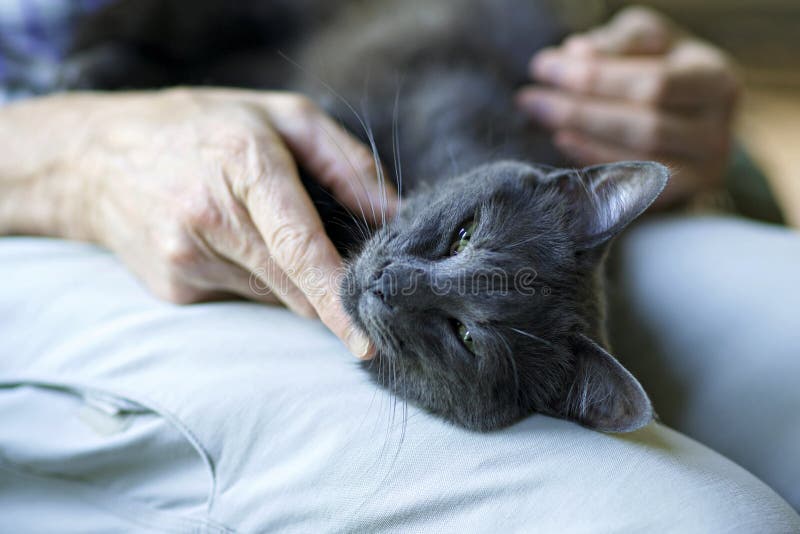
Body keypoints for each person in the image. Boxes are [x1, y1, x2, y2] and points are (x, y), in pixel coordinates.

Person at [0, 5, 737, 358]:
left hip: (332, 81)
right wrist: (76, 159)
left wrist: (681, 124)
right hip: (53, 216)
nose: (402, 282)